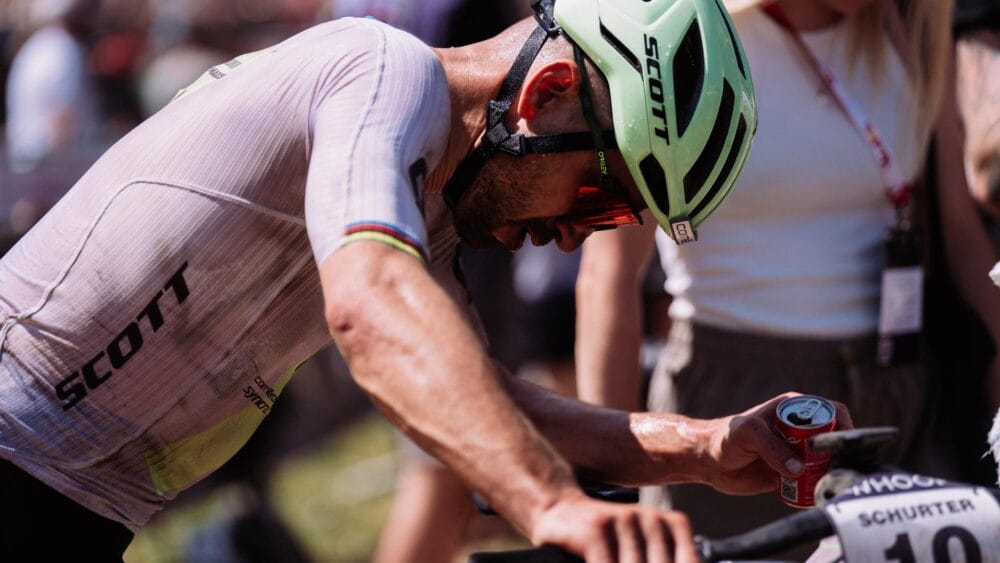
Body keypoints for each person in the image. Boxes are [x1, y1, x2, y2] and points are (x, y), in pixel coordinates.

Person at [0, 1, 830, 560]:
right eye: (602, 193)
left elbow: (490, 401)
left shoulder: (423, 199)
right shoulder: (379, 72)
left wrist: (707, 445)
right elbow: (368, 304)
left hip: (77, 502)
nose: (579, 237)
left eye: (616, 222)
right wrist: (550, 502)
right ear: (546, 92)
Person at [575, 0, 1000, 550]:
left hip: (892, 399)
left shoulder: (909, 29)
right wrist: (610, 484)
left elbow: (964, 241)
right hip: (731, 401)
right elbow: (609, 278)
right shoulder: (680, 40)